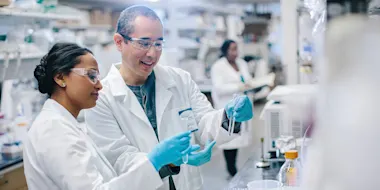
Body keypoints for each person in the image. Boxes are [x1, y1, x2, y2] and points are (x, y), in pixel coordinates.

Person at [84, 5, 254, 190]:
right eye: (144, 43)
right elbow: (118, 159)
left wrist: (229, 117)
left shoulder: (179, 80)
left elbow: (203, 122)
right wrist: (162, 162)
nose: (152, 53)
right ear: (119, 42)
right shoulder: (100, 98)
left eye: (158, 44)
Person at [23, 43, 195, 190]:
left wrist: (162, 164)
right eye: (91, 75)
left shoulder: (64, 124)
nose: (99, 85)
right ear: (60, 78)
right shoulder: (54, 130)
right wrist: (153, 161)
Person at [210, 39, 255, 178]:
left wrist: (251, 84)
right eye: (232, 49)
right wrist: (238, 87)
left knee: (238, 138)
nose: (235, 52)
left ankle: (234, 168)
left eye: (236, 49)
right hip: (227, 107)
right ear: (225, 51)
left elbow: (247, 80)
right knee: (229, 139)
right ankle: (231, 169)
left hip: (241, 106)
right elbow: (219, 88)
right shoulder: (218, 66)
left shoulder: (241, 63)